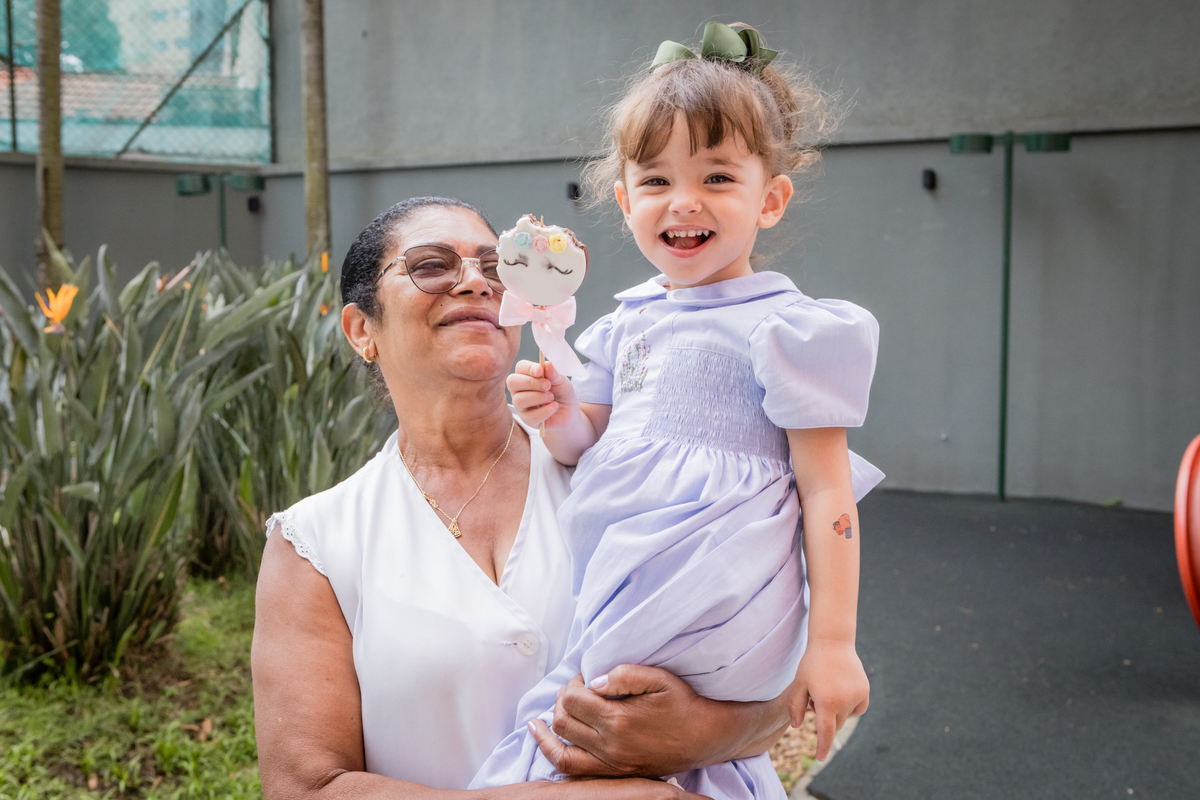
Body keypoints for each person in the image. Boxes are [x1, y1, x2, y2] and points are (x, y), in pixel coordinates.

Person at [251, 196, 801, 800]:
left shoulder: (630, 469)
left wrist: (703, 734)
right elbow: (305, 787)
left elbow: (782, 676)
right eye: (431, 265)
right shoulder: (319, 544)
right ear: (363, 331)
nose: (474, 283)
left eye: (497, 267)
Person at [473, 23, 882, 799]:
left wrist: (832, 644)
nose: (683, 202)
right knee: (613, 734)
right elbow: (583, 442)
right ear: (625, 199)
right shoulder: (622, 323)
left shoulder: (788, 328)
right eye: (656, 180)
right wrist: (555, 410)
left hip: (715, 586)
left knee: (594, 729)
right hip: (626, 578)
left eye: (719, 178)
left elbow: (826, 490)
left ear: (771, 198)